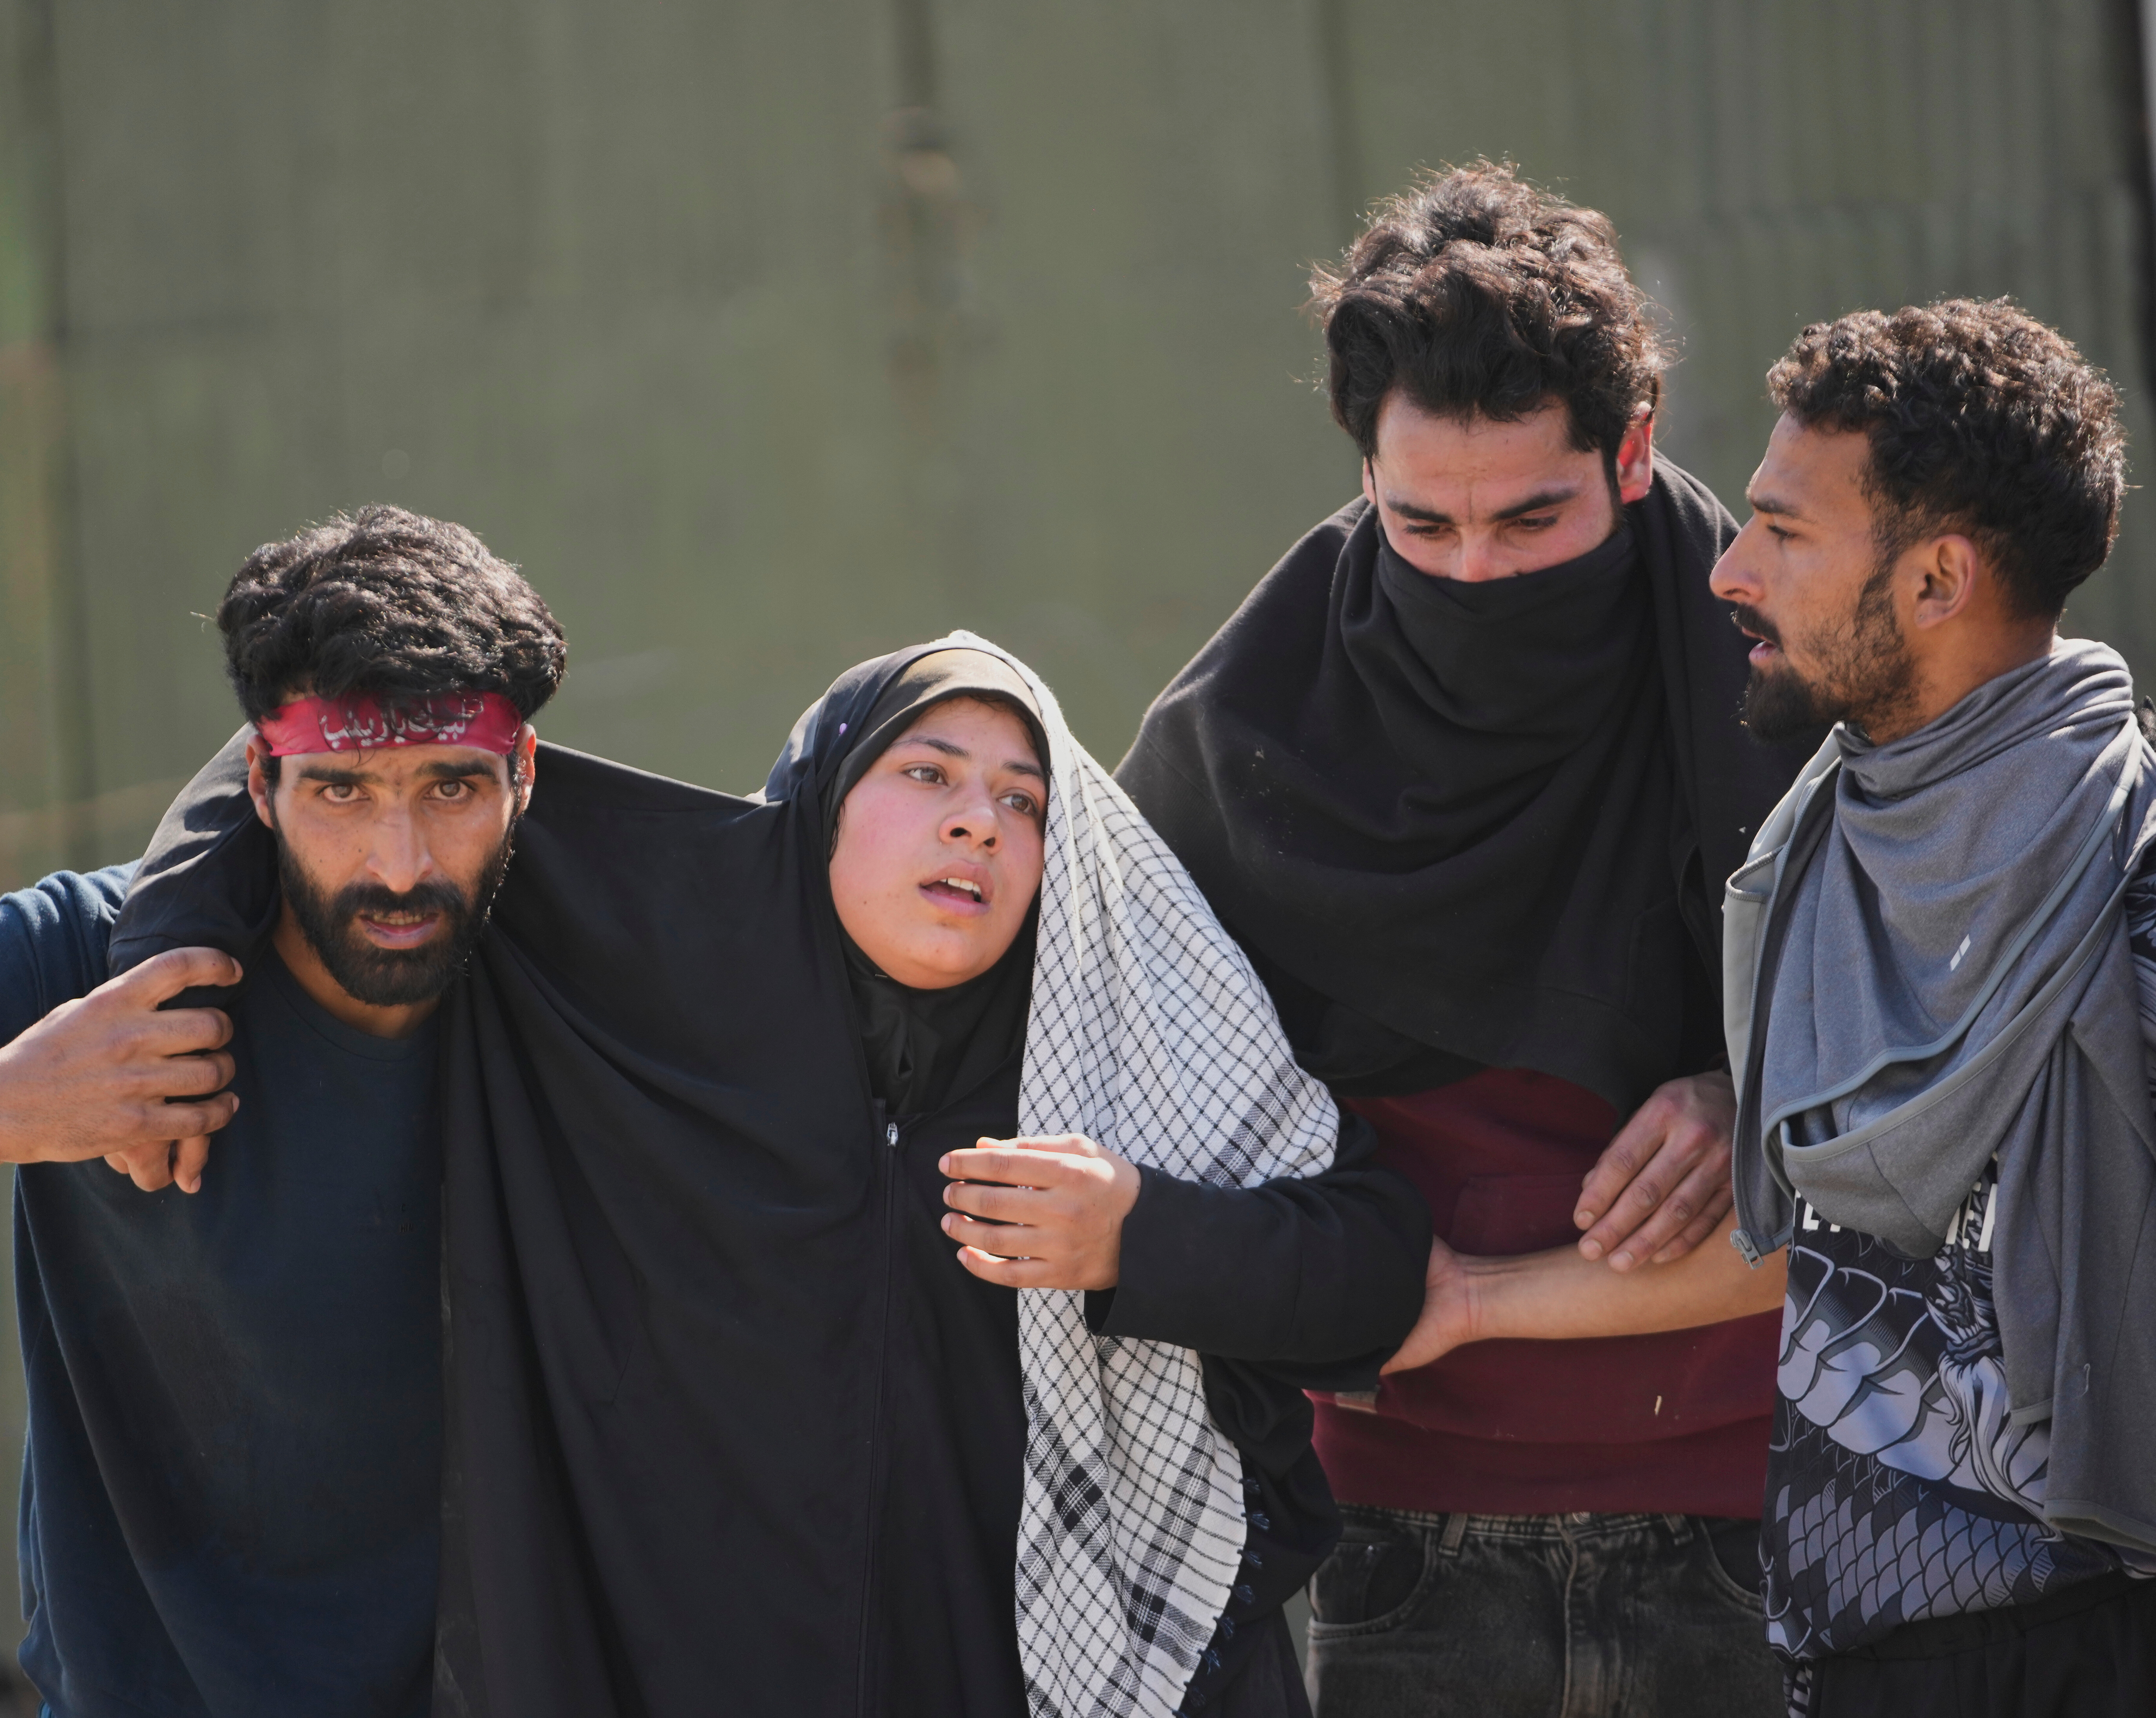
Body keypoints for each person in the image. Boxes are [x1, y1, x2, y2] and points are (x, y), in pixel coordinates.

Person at [117, 634, 1431, 1716]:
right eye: (929, 773)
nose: (978, 821)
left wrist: (1140, 1239)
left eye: (1023, 801)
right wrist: (164, 957)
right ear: (823, 795)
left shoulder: (1123, 1042)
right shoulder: (650, 963)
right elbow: (325, 749)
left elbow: (1372, 1267)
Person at [0, 508, 565, 1715]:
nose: (399, 860)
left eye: (451, 787)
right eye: (341, 789)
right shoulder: (78, 964)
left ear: (524, 776)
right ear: (261, 780)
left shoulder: (586, 994)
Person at [1114, 164, 1816, 1714]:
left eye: (1531, 516)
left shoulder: (1776, 686)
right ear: (1362, 470)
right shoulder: (1242, 732)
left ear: (1632, 456)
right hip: (1392, 1536)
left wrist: (1736, 1073)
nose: (1475, 570)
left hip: (1763, 1518)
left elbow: (1913, 1120)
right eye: (1420, 520)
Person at [1711, 299, 2156, 1715]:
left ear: (1937, 578)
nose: (1731, 568)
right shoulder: (1814, 855)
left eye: (1784, 533)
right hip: (1850, 1645)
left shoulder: (2132, 885)